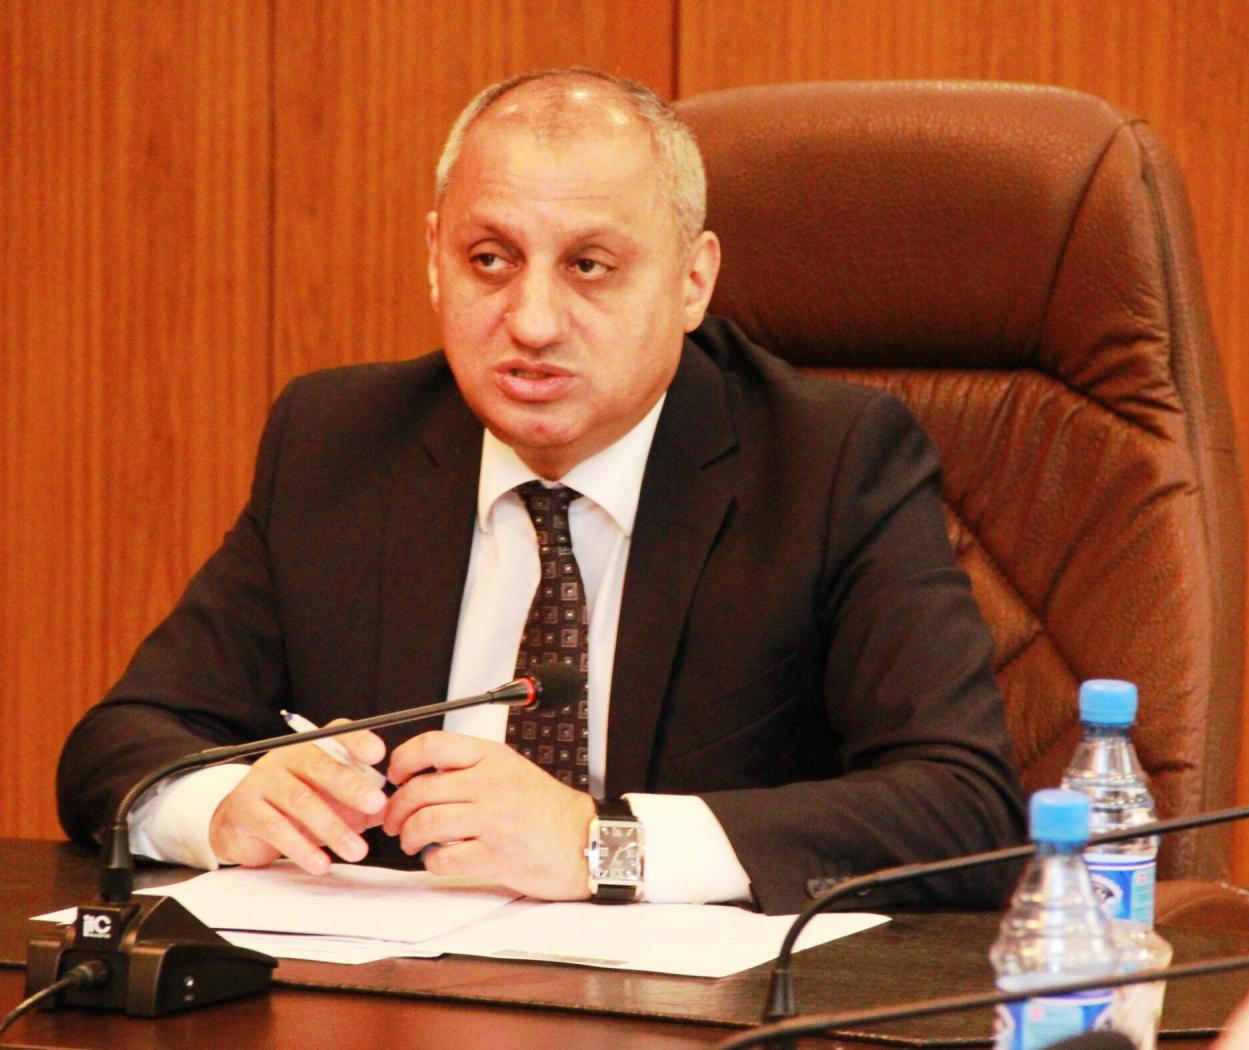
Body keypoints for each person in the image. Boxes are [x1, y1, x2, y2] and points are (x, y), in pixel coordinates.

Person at [56, 67, 1024, 915]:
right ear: (434, 260)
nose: (531, 321)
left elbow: (964, 805)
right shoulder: (339, 444)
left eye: (588, 267)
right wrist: (223, 807)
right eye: (490, 260)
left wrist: (600, 846)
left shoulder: (829, 464)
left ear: (693, 281)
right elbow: (119, 744)